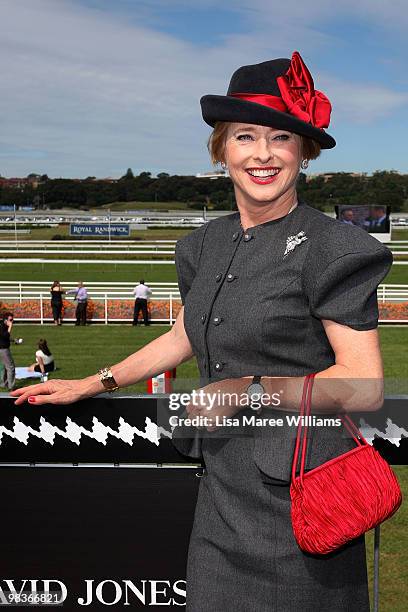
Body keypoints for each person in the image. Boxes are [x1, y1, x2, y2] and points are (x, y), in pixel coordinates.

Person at [11, 51, 393, 611]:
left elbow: (364, 384)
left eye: (281, 138)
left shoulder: (337, 248)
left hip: (303, 502)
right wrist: (92, 383)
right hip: (221, 496)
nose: (263, 154)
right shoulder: (202, 246)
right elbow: (183, 337)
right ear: (222, 151)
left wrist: (249, 390)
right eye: (245, 136)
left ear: (303, 153)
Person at [0, 312, 15, 390]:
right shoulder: (3, 326)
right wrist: (10, 327)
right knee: (11, 367)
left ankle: (4, 384)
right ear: (6, 320)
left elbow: (4, 337)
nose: (12, 321)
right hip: (3, 349)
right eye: (11, 320)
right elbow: (5, 335)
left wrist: (13, 340)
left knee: (5, 367)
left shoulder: (2, 325)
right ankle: (11, 386)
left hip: (2, 348)